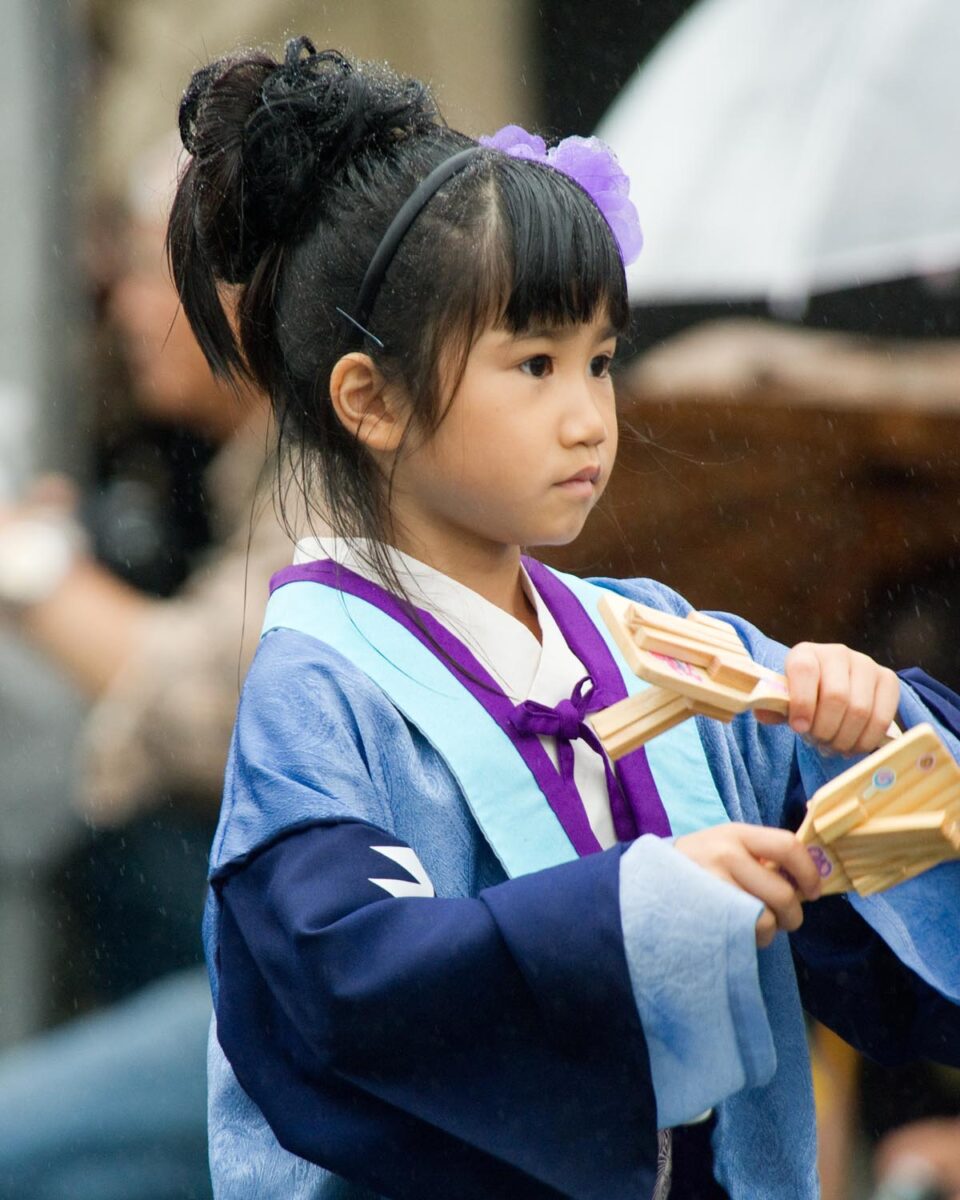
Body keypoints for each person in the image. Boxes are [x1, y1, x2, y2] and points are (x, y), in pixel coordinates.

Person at [168, 38, 960, 1200]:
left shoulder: (659, 638)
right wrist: (648, 910)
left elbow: (890, 866)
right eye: (534, 364)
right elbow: (353, 984)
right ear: (370, 399)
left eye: (600, 362)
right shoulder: (318, 686)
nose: (592, 418)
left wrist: (884, 729)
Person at [0, 139, 292, 1198]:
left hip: (312, 999)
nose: (121, 309)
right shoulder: (250, 471)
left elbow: (220, 701)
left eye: (137, 269)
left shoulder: (336, 476)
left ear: (238, 292)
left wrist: (26, 567)